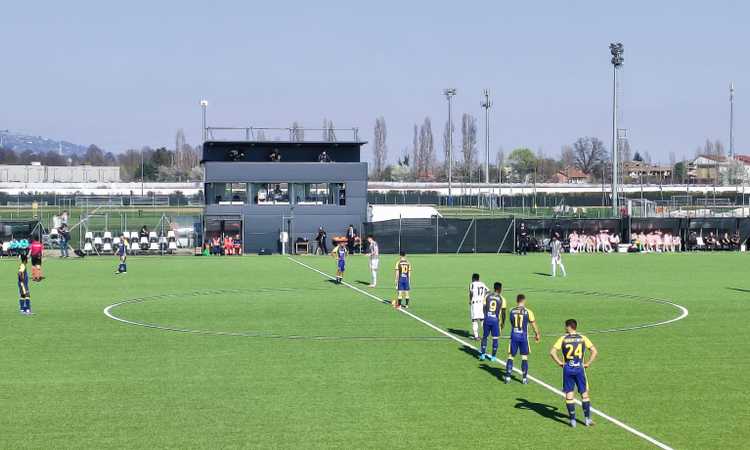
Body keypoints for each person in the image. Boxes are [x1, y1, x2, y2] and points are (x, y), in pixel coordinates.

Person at [549, 319, 598, 428]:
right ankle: (587, 419)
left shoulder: (563, 339)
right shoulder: (583, 338)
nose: (565, 328)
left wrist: (560, 363)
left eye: (566, 326)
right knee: (584, 394)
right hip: (580, 368)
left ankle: (572, 421)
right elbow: (594, 351)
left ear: (569, 327)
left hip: (568, 369)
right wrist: (588, 363)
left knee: (569, 394)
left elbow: (552, 352)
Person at [504, 294, 541, 385]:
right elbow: (533, 324)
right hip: (523, 336)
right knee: (524, 357)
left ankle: (508, 377)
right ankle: (524, 379)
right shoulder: (528, 312)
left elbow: (512, 322)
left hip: (514, 335)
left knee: (511, 356)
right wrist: (537, 334)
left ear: (517, 301)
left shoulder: (511, 311)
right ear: (524, 301)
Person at [479, 282, 507, 362]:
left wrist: (485, 317)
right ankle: (493, 357)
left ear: (494, 288)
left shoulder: (487, 296)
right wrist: (502, 323)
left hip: (487, 319)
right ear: (500, 289)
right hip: (495, 321)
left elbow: (484, 308)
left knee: (485, 337)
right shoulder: (502, 299)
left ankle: (483, 355)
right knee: (495, 338)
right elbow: (504, 313)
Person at [468, 273, 489, 340]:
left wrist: (470, 300)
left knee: (474, 320)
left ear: (473, 278)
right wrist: (484, 297)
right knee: (482, 320)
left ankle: (476, 336)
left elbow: (471, 293)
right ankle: (485, 335)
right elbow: (488, 291)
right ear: (478, 278)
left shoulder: (472, 284)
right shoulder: (482, 284)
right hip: (482, 304)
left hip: (475, 304)